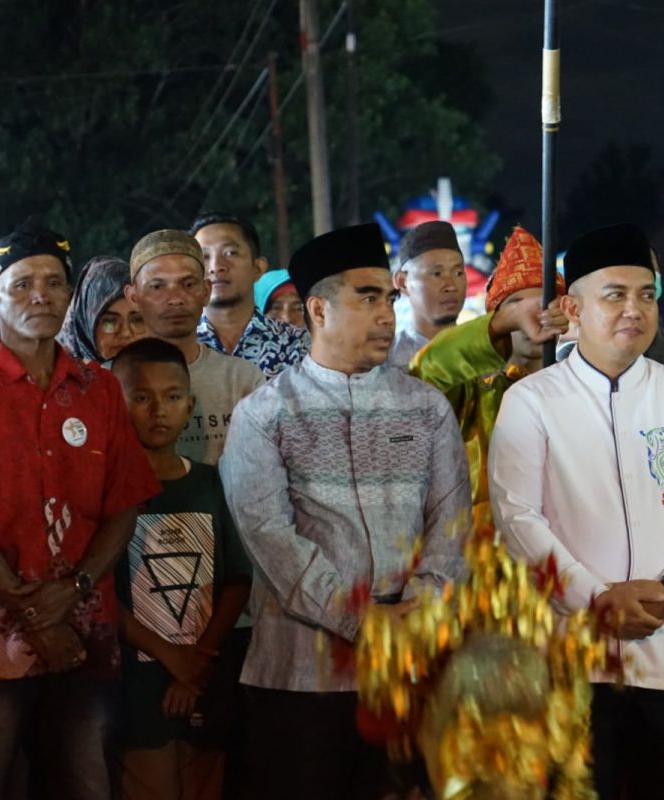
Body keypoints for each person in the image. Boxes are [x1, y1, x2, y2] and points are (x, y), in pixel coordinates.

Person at [489, 222, 664, 800]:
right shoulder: (531, 401)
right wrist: (596, 599)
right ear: (572, 309)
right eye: (616, 295)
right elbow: (518, 518)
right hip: (573, 655)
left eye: (646, 294)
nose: (635, 309)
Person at [219, 223, 471, 798]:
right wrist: (361, 619)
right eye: (367, 297)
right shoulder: (263, 415)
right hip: (301, 676)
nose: (386, 313)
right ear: (318, 309)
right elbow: (271, 538)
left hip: (409, 671)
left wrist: (419, 611)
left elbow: (452, 528)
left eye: (388, 297)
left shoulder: (426, 407)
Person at [0, 220, 160, 799]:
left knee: (85, 783)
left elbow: (123, 505)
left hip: (85, 627)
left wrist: (72, 589)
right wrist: (32, 613)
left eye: (54, 283)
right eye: (22, 284)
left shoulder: (98, 388)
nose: (41, 296)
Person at [111, 338, 251, 800]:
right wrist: (172, 658)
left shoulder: (210, 484)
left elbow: (235, 582)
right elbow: (101, 597)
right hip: (137, 682)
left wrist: (195, 666)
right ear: (115, 403)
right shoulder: (106, 495)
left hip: (206, 674)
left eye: (172, 397)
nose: (158, 410)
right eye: (141, 397)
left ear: (190, 405)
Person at [409, 225, 568, 536]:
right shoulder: (474, 394)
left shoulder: (583, 392)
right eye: (517, 306)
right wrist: (504, 323)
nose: (532, 316)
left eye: (543, 304)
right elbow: (424, 374)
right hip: (489, 566)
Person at [124, 230, 264, 466]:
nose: (176, 298)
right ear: (133, 296)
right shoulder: (110, 381)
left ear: (206, 291)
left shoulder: (243, 380)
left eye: (188, 284)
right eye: (157, 287)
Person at [191, 213, 308, 378]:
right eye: (204, 257)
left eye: (230, 253)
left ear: (258, 268)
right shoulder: (177, 346)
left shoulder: (297, 344)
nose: (216, 267)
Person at [389, 221, 467, 367]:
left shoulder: (485, 354)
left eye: (458, 273)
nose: (451, 286)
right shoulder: (387, 362)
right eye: (436, 274)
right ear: (402, 282)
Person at [59, 255, 147, 363]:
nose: (126, 333)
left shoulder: (164, 371)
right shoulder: (52, 373)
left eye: (137, 320)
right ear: (85, 325)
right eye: (110, 322)